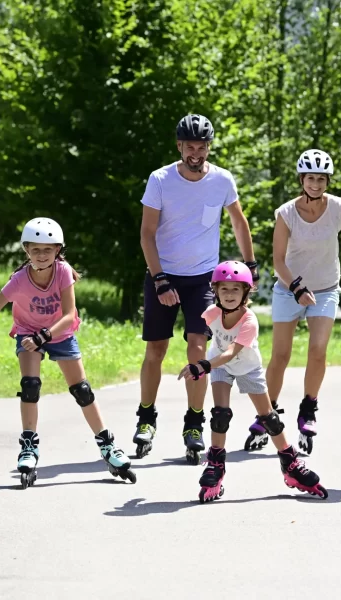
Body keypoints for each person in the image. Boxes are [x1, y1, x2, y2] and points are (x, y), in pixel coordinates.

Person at [0, 218, 135, 489]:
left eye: (47, 249)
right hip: (27, 331)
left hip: (59, 334)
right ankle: (29, 447)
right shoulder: (19, 280)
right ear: (26, 250)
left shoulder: (63, 272)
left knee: (82, 390)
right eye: (35, 249)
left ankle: (107, 446)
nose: (41, 255)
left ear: (58, 250)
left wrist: (44, 336)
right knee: (30, 386)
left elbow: (69, 316)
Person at [136, 114, 257, 465]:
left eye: (202, 146)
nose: (196, 152)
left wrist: (250, 265)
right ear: (179, 146)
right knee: (156, 348)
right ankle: (146, 417)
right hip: (164, 274)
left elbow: (238, 219)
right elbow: (147, 233)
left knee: (198, 345)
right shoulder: (160, 179)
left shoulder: (222, 180)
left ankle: (193, 422)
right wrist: (160, 279)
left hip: (204, 279)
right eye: (190, 146)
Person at [244, 149, 341, 456]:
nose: (316, 184)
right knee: (280, 355)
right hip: (287, 289)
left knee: (318, 350)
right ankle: (267, 413)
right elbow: (278, 261)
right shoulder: (286, 213)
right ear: (301, 179)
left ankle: (308, 409)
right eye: (310, 178)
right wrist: (296, 287)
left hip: (326, 288)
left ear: (327, 180)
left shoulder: (338, 208)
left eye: (321, 179)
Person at [178, 261, 327, 502]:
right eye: (224, 289)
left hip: (246, 366)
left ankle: (290, 463)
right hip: (220, 366)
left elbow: (232, 352)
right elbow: (210, 343)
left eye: (235, 289)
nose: (229, 295)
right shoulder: (211, 313)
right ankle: (216, 464)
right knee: (220, 414)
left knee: (269, 419)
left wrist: (202, 366)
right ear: (214, 290)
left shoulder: (249, 321)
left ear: (246, 292)